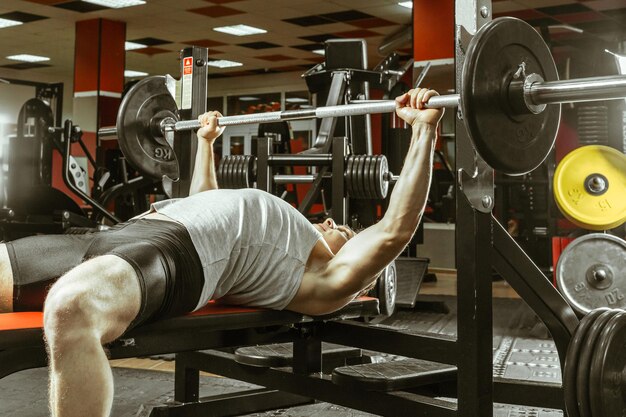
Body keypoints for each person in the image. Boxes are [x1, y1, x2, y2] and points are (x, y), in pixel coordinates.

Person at [0, 88, 442, 417]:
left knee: (71, 308)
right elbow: (204, 201)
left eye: (341, 229)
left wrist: (424, 130)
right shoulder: (274, 229)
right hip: (132, 230)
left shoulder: (325, 279)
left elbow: (393, 230)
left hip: (176, 255)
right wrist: (209, 142)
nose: (328, 222)